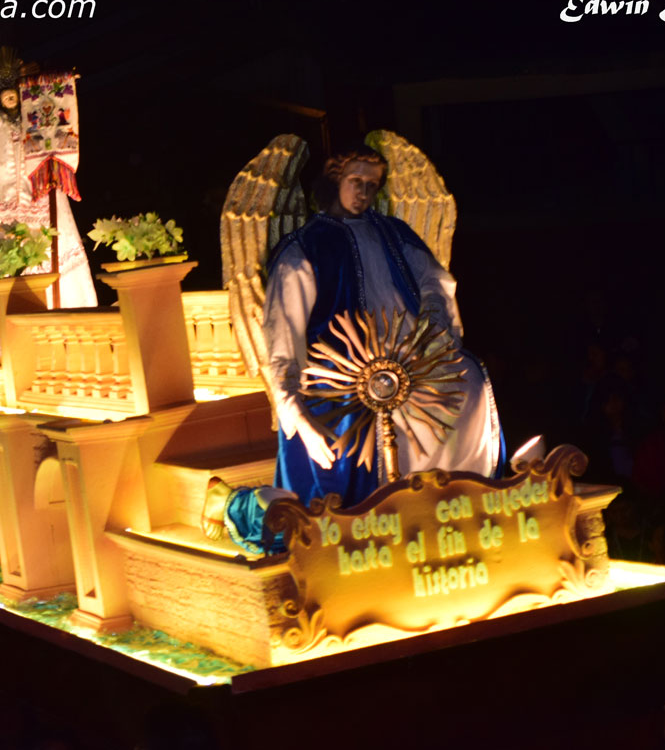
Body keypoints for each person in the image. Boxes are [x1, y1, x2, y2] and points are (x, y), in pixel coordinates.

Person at [203, 146, 503, 553]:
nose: (364, 192)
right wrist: (293, 408)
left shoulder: (394, 233)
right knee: (336, 457)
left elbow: (435, 280)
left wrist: (432, 321)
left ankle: (448, 506)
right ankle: (234, 504)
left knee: (468, 379)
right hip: (338, 371)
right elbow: (284, 330)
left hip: (407, 358)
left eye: (372, 185)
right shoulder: (304, 247)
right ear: (334, 182)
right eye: (355, 181)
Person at [0, 48, 96, 365]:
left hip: (36, 195)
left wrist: (66, 82)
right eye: (5, 94)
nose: (10, 98)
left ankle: (62, 326)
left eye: (14, 93)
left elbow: (54, 103)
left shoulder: (35, 122)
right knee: (0, 262)